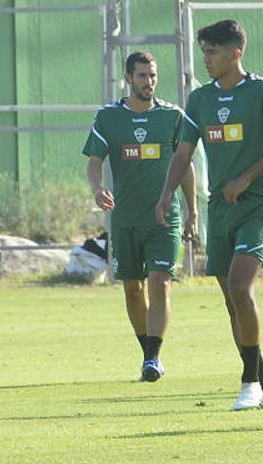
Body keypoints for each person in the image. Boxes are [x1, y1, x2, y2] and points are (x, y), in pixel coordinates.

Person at [158, 19, 263, 411]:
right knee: (232, 301)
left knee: (240, 286)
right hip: (219, 210)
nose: (206, 58)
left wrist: (247, 177)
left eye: (213, 52)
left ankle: (249, 381)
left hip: (257, 206)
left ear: (235, 53)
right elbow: (183, 153)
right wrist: (168, 195)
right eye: (203, 51)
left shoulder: (260, 92)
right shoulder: (199, 100)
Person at [83, 51, 197, 382]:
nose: (149, 82)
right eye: (142, 76)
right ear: (128, 79)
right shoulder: (108, 117)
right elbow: (94, 161)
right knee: (133, 289)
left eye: (153, 76)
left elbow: (184, 164)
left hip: (164, 217)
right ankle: (147, 352)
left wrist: (192, 212)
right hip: (125, 218)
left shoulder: (172, 116)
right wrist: (97, 187)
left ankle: (153, 357)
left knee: (160, 282)